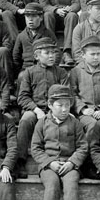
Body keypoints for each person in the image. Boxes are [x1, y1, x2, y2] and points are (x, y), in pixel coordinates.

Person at [30, 84, 88, 200]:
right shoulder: (42, 123)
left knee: (70, 185)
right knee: (52, 184)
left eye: (67, 105)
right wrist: (49, 162)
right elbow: (36, 148)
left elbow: (83, 147)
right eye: (59, 105)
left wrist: (72, 162)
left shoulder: (75, 123)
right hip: (49, 165)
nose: (64, 109)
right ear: (49, 105)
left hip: (70, 164)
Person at [17, 37, 69, 178]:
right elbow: (22, 97)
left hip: (56, 110)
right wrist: (36, 109)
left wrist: (54, 111)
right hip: (36, 110)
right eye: (47, 53)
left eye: (53, 52)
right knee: (26, 120)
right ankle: (20, 161)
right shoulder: (29, 73)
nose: (52, 56)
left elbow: (67, 95)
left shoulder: (61, 73)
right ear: (36, 56)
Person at [71, 35, 100, 135]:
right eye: (92, 54)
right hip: (84, 113)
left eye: (98, 54)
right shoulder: (76, 71)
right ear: (83, 55)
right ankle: (91, 150)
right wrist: (83, 109)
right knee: (93, 125)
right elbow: (72, 94)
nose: (96, 57)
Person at [12, 2, 60, 80]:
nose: (30, 19)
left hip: (44, 68)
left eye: (34, 16)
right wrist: (20, 70)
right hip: (27, 69)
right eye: (27, 16)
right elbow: (16, 57)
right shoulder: (21, 36)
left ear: (41, 18)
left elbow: (57, 52)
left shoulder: (48, 34)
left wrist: (51, 67)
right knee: (21, 77)